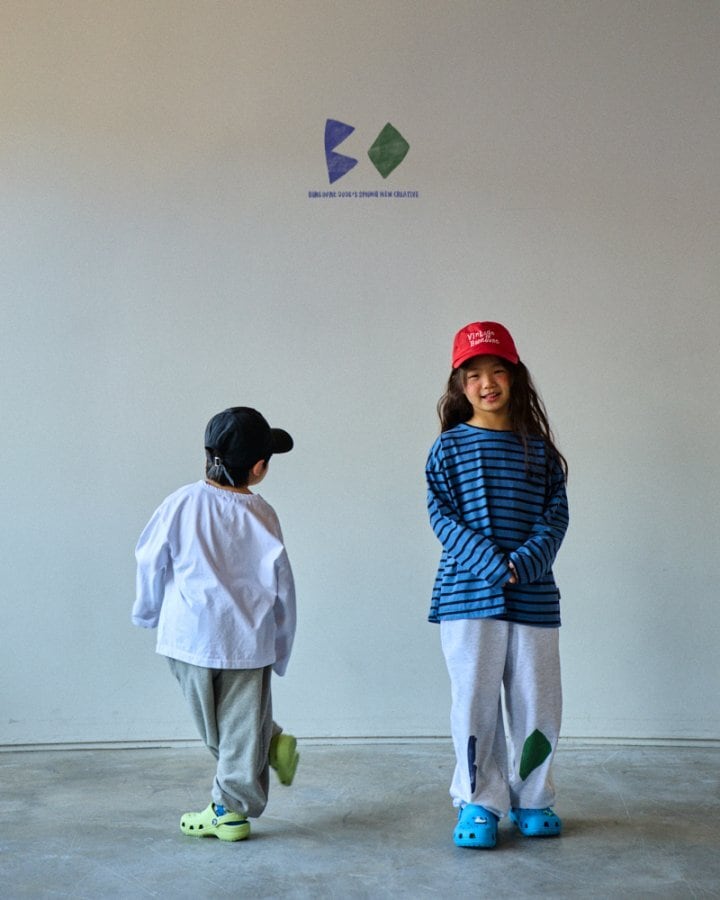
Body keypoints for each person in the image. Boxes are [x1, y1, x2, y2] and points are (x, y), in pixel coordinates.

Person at [426, 321, 569, 849]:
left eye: (497, 371)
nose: (487, 383)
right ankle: (480, 802)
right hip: (467, 598)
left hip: (534, 599)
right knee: (474, 703)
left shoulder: (541, 451)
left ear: (515, 376)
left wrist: (524, 564)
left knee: (538, 703)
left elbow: (555, 518)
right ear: (460, 385)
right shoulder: (447, 449)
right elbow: (442, 517)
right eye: (474, 374)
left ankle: (533, 798)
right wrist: (492, 564)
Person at [132, 406, 299, 842]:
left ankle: (228, 811)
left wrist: (147, 610)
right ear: (259, 468)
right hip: (248, 642)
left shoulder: (180, 503)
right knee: (240, 727)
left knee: (217, 727)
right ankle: (267, 744)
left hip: (188, 638)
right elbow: (283, 585)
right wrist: (281, 647)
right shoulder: (263, 514)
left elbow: (149, 558)